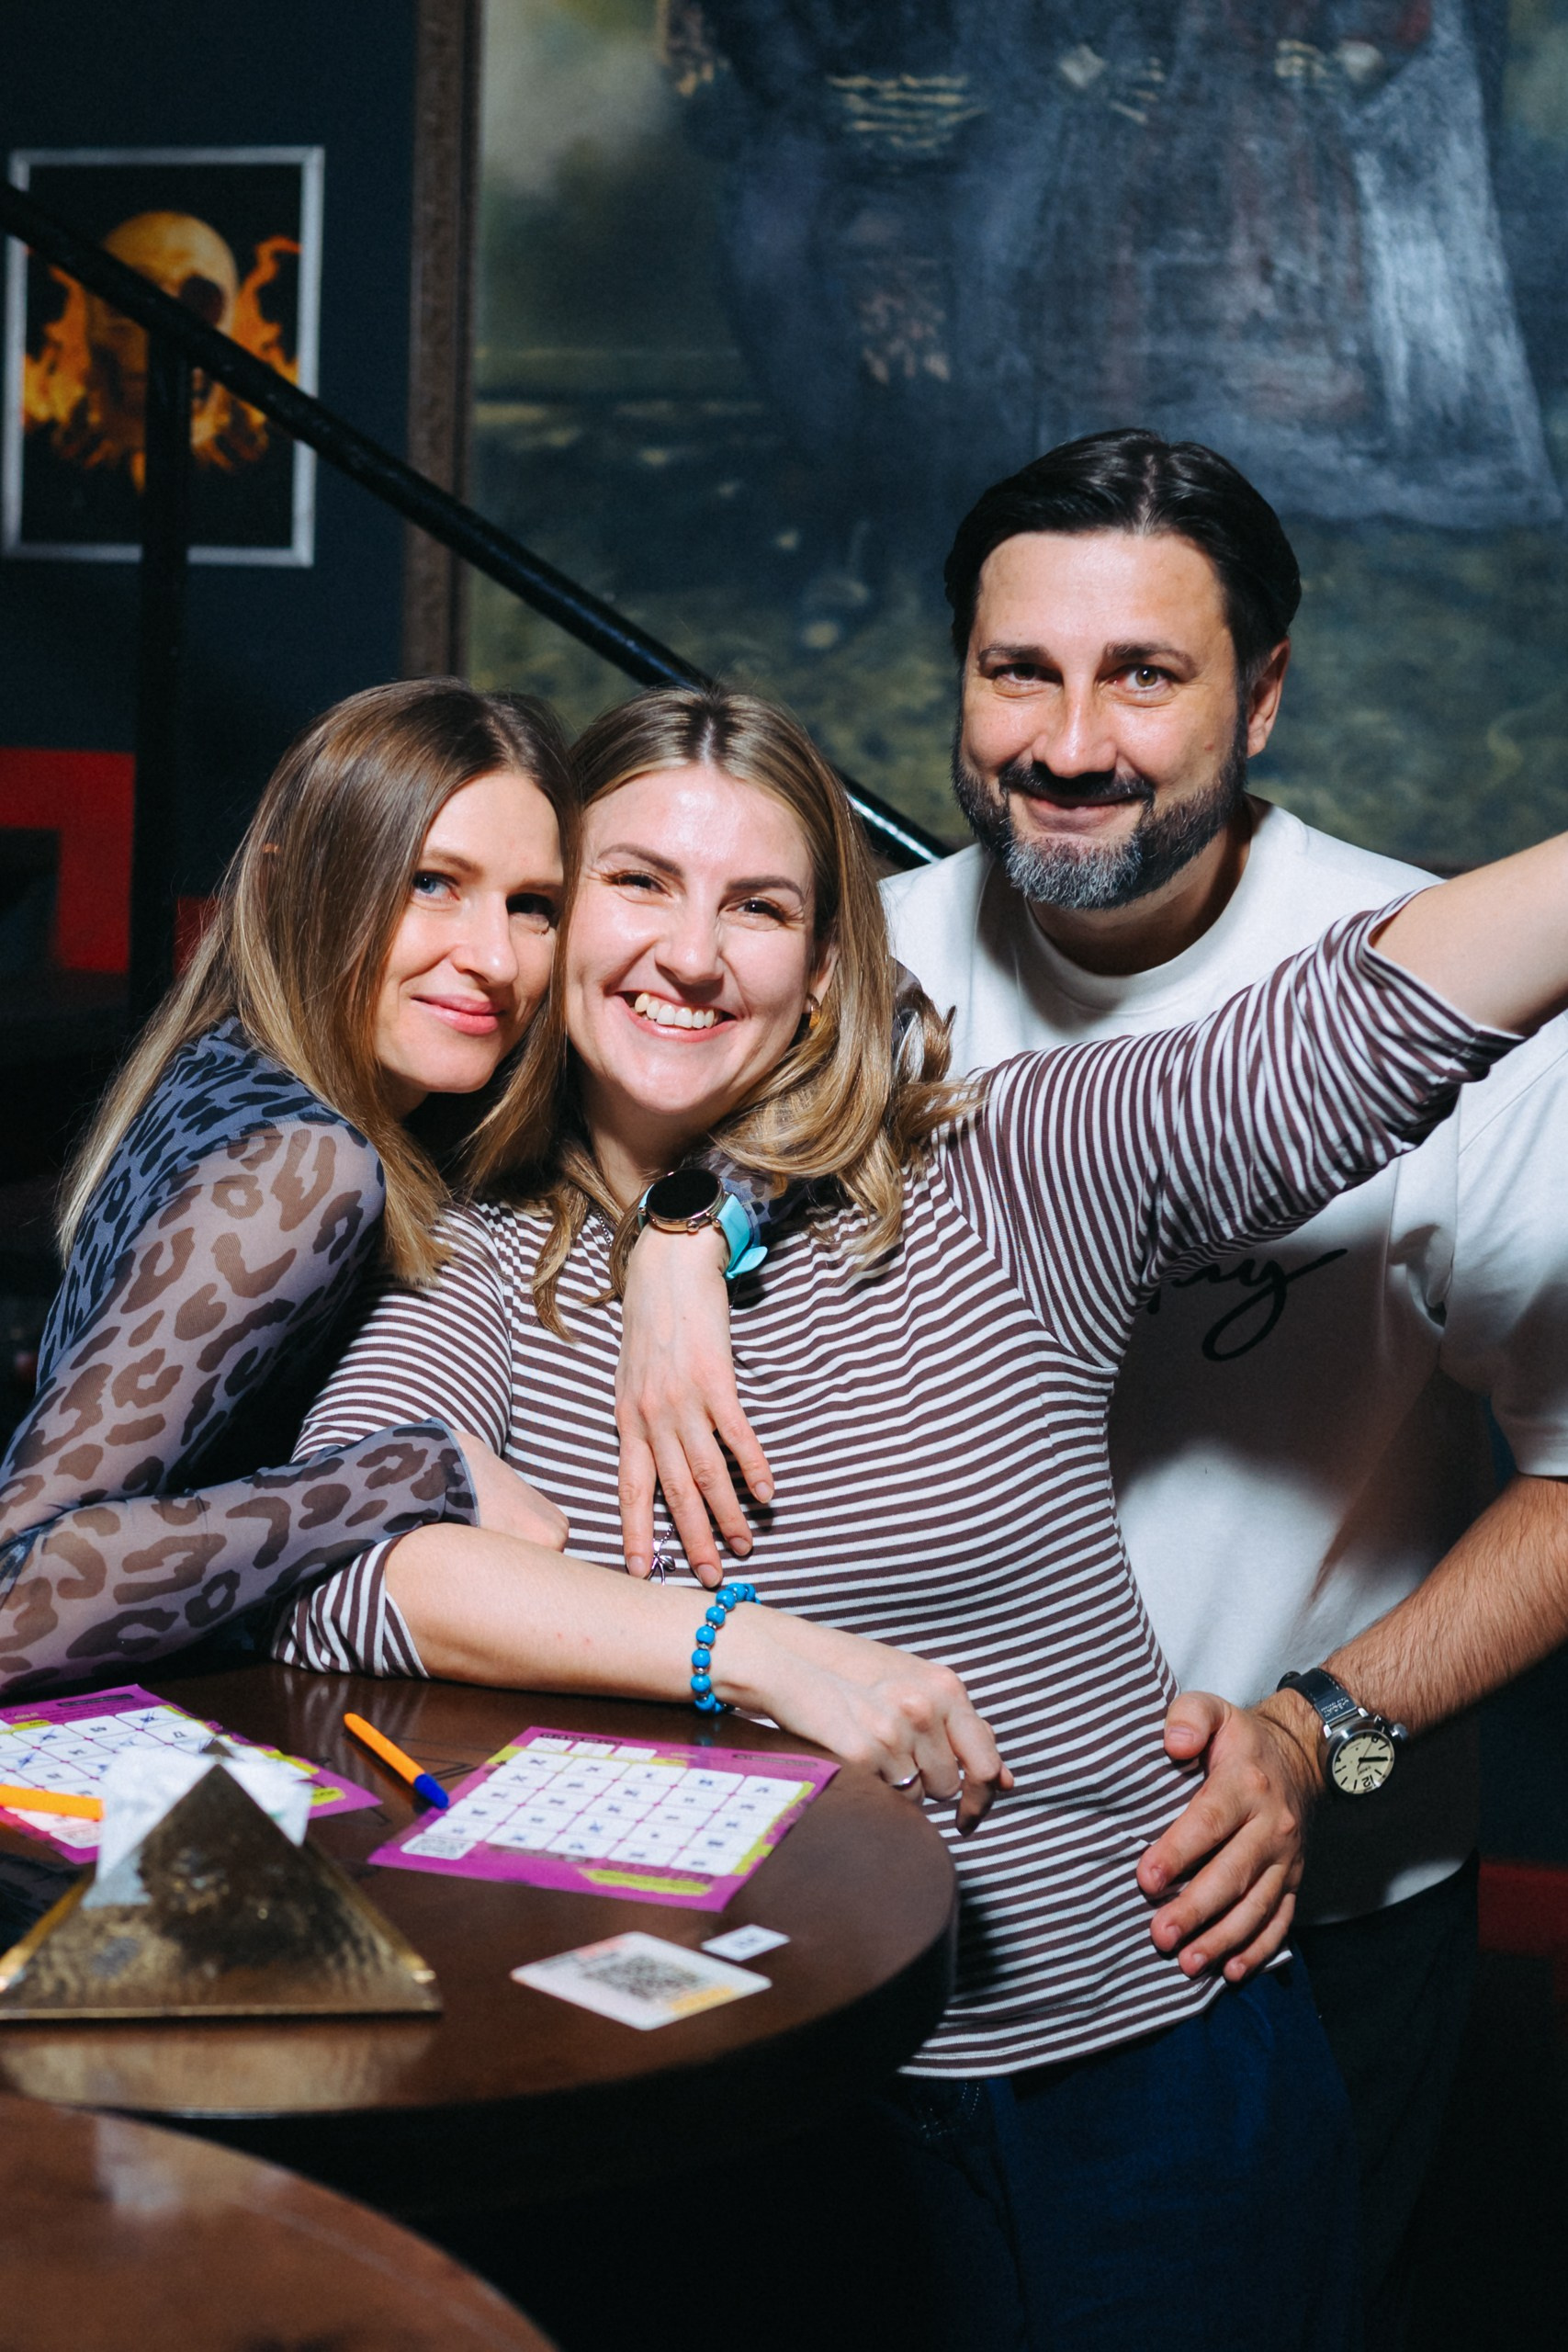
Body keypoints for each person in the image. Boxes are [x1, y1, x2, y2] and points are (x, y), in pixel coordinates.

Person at [277, 680, 1568, 2347]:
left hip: (1128, 2066)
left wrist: (696, 1206)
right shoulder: (476, 1265)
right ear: (555, 921)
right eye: (637, 883)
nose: (691, 952)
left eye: (758, 906)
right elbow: (339, 1567)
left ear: (826, 966)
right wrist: (753, 1651)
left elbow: (1339, 1036)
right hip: (733, 2101)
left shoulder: (1009, 1175)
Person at [880, 425, 1568, 2342]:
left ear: (1258, 695)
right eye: (1018, 670)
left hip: (1292, 1908)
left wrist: (1313, 1734)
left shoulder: (1459, 1009)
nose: (1067, 740)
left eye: (1142, 675)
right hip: (895, 1908)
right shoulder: (845, 972)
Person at [0, 678, 771, 1699]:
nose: (493, 959)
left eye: (531, 906)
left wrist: (692, 1232)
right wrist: (410, 1475)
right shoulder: (306, 1166)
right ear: (292, 886)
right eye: (431, 883)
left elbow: (873, 1008)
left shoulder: (252, 1062)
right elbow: (15, 1594)